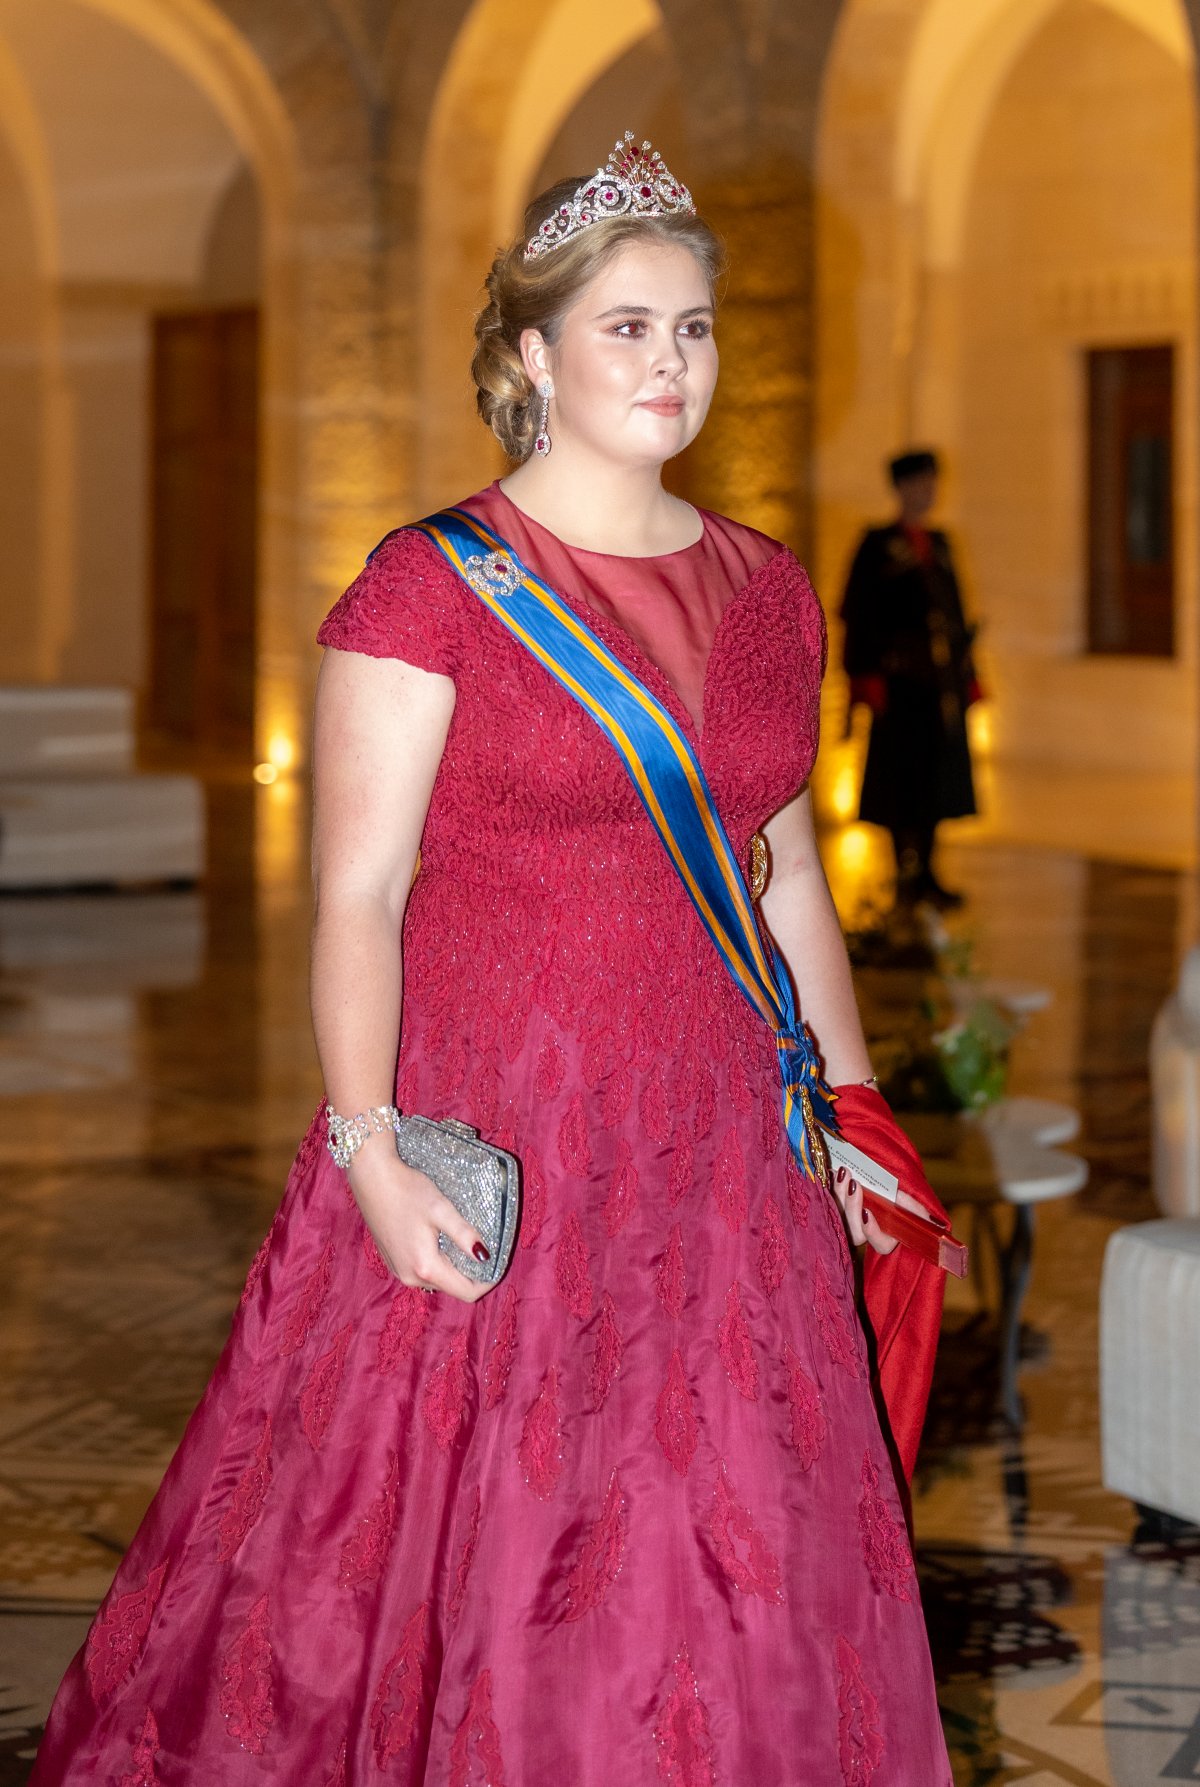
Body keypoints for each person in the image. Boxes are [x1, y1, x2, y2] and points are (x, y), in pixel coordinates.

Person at [30, 135, 953, 1784]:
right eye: (626, 327)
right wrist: (368, 1151)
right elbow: (358, 895)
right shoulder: (432, 586)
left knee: (728, 1525)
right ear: (532, 354)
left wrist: (855, 1118)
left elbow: (787, 871)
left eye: (692, 328)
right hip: (505, 1124)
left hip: (724, 1144)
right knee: (489, 1535)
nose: (670, 363)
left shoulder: (766, 588)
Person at [841, 448, 980, 909]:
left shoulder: (940, 544)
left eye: (932, 482)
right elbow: (859, 615)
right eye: (919, 483)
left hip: (939, 683)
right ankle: (904, 871)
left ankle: (929, 872)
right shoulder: (878, 544)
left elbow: (956, 615)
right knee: (900, 776)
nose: (927, 491)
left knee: (938, 775)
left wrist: (968, 676)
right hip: (900, 684)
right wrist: (864, 679)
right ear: (900, 488)